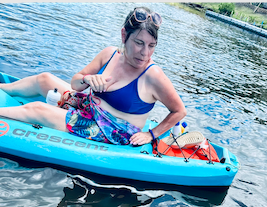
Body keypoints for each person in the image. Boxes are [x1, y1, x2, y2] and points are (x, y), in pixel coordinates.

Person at [0, 7, 186, 146]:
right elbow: (75, 82)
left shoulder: (153, 75)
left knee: (38, 110)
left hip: (113, 130)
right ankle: (3, 88)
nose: (145, 52)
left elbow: (179, 111)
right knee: (44, 79)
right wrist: (87, 79)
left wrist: (151, 134)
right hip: (88, 107)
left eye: (151, 45)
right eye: (139, 43)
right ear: (124, 36)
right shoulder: (110, 54)